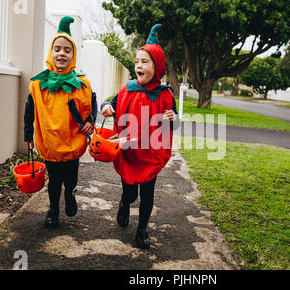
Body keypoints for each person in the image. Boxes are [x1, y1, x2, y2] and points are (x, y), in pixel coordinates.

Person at [101, 24, 180, 249]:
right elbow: (110, 103)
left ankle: (142, 228)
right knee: (130, 193)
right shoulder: (127, 89)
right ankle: (124, 205)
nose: (138, 65)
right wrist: (107, 107)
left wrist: (174, 118)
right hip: (129, 152)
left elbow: (175, 124)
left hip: (151, 153)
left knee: (147, 194)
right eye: (137, 61)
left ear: (157, 67)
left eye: (144, 62)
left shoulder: (165, 94)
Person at [24, 16, 97, 228]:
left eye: (67, 50)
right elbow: (29, 111)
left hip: (73, 140)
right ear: (50, 52)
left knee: (70, 179)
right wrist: (27, 136)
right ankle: (53, 209)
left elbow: (91, 102)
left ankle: (71, 194)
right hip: (50, 142)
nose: (61, 53)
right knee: (54, 181)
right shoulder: (38, 84)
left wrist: (90, 120)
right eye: (57, 49)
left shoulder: (82, 83)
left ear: (73, 55)